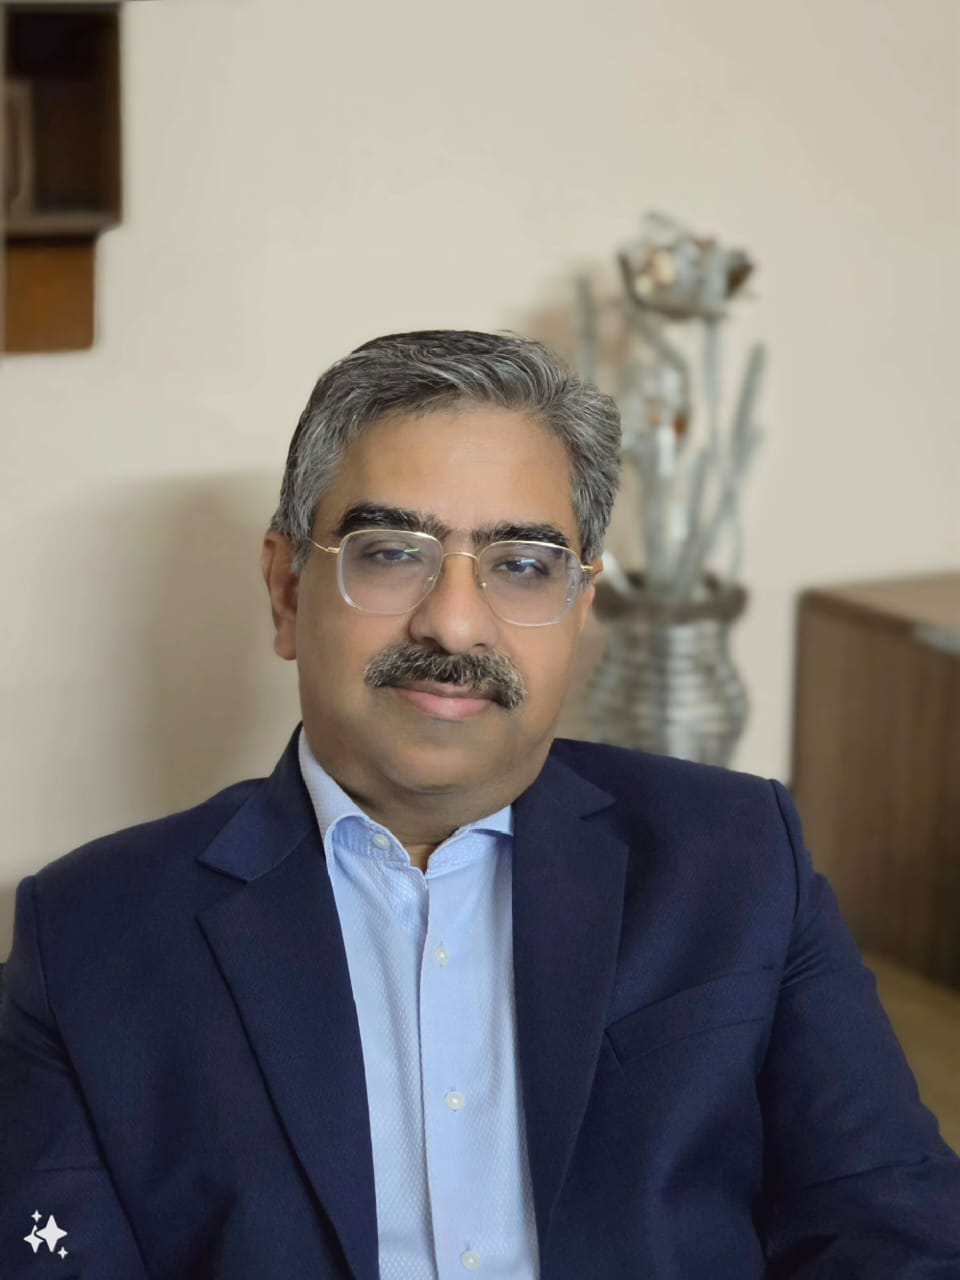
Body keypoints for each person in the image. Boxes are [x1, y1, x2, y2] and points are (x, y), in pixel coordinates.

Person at [1, 330, 958, 1280]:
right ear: (288, 590)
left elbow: (897, 1224)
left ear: (580, 610)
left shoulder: (739, 859)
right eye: (391, 553)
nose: (455, 624)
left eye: (524, 564)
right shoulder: (87, 933)